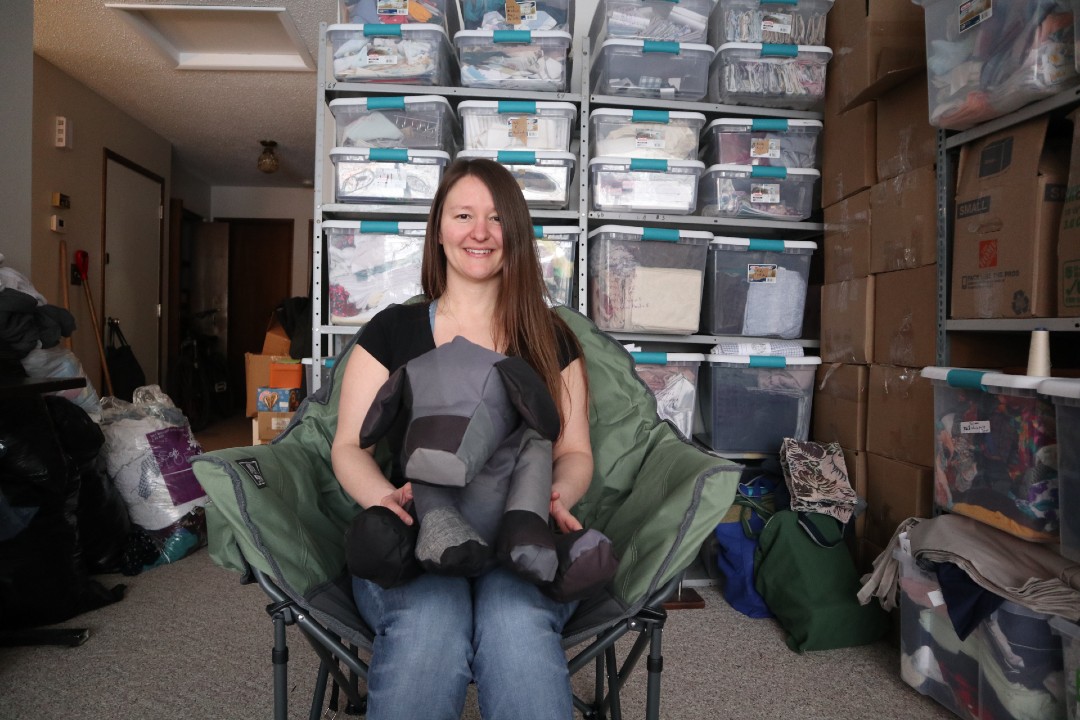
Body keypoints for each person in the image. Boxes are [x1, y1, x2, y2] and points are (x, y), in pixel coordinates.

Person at [330, 157, 593, 720]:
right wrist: (383, 500)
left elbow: (573, 453)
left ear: (516, 233)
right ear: (438, 229)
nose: (479, 232)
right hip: (419, 537)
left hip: (519, 539)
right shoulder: (391, 331)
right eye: (463, 215)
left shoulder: (551, 339)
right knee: (431, 621)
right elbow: (350, 446)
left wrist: (557, 497)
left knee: (514, 621)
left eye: (496, 218)